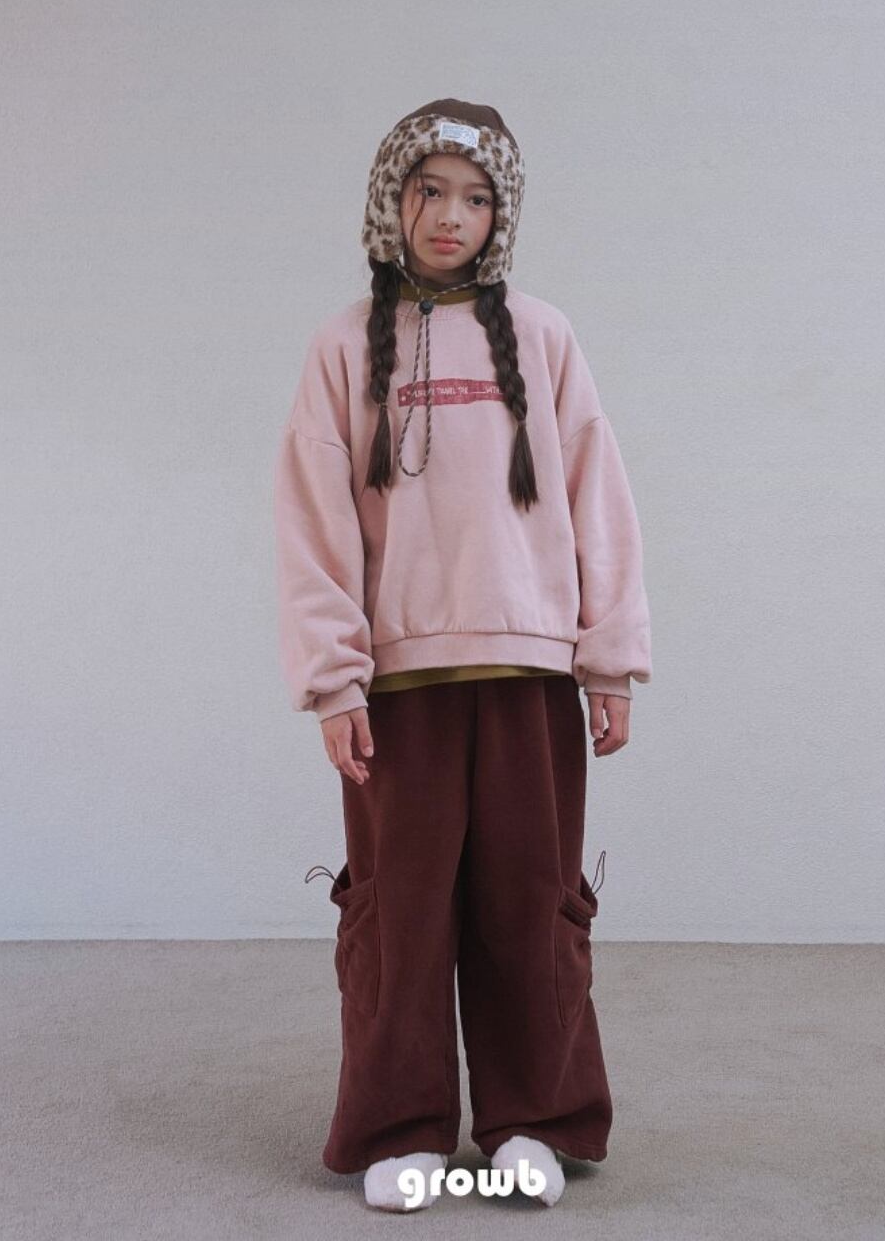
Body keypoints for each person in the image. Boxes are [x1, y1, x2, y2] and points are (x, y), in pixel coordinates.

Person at [273, 98, 652, 1211]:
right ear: (391, 201)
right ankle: (401, 1126)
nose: (450, 216)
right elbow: (313, 522)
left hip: (530, 673)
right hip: (400, 687)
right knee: (399, 912)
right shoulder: (345, 345)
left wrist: (609, 659)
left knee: (530, 903)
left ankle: (536, 1119)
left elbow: (598, 496)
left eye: (476, 198)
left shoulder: (544, 335)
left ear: (501, 214)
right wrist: (333, 679)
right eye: (428, 190)